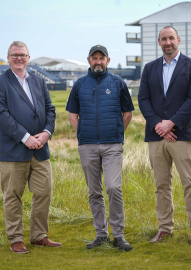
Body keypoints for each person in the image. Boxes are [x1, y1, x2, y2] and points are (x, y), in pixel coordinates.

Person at [138, 26, 191, 244]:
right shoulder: (149, 68)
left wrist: (172, 123)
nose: (168, 42)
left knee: (190, 183)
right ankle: (165, 228)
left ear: (179, 40)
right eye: (164, 39)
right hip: (156, 136)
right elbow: (143, 100)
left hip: (182, 135)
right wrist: (159, 124)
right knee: (161, 185)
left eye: (171, 38)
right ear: (159, 42)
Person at [66, 45, 134, 251]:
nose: (98, 61)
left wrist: (116, 134)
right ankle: (101, 234)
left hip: (112, 145)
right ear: (89, 60)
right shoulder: (79, 85)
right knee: (94, 191)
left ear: (108, 60)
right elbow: (71, 116)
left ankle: (119, 235)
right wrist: (83, 134)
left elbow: (128, 113)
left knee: (114, 187)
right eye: (94, 58)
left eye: (101, 58)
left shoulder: (118, 83)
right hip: (87, 146)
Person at [0, 41, 61, 254]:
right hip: (13, 150)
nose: (19, 58)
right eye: (14, 55)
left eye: (23, 55)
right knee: (13, 195)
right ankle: (16, 239)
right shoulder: (2, 82)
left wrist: (46, 133)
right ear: (7, 58)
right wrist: (25, 137)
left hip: (40, 149)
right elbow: (2, 115)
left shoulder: (38, 81)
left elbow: (50, 110)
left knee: (44, 192)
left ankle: (38, 236)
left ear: (28, 58)